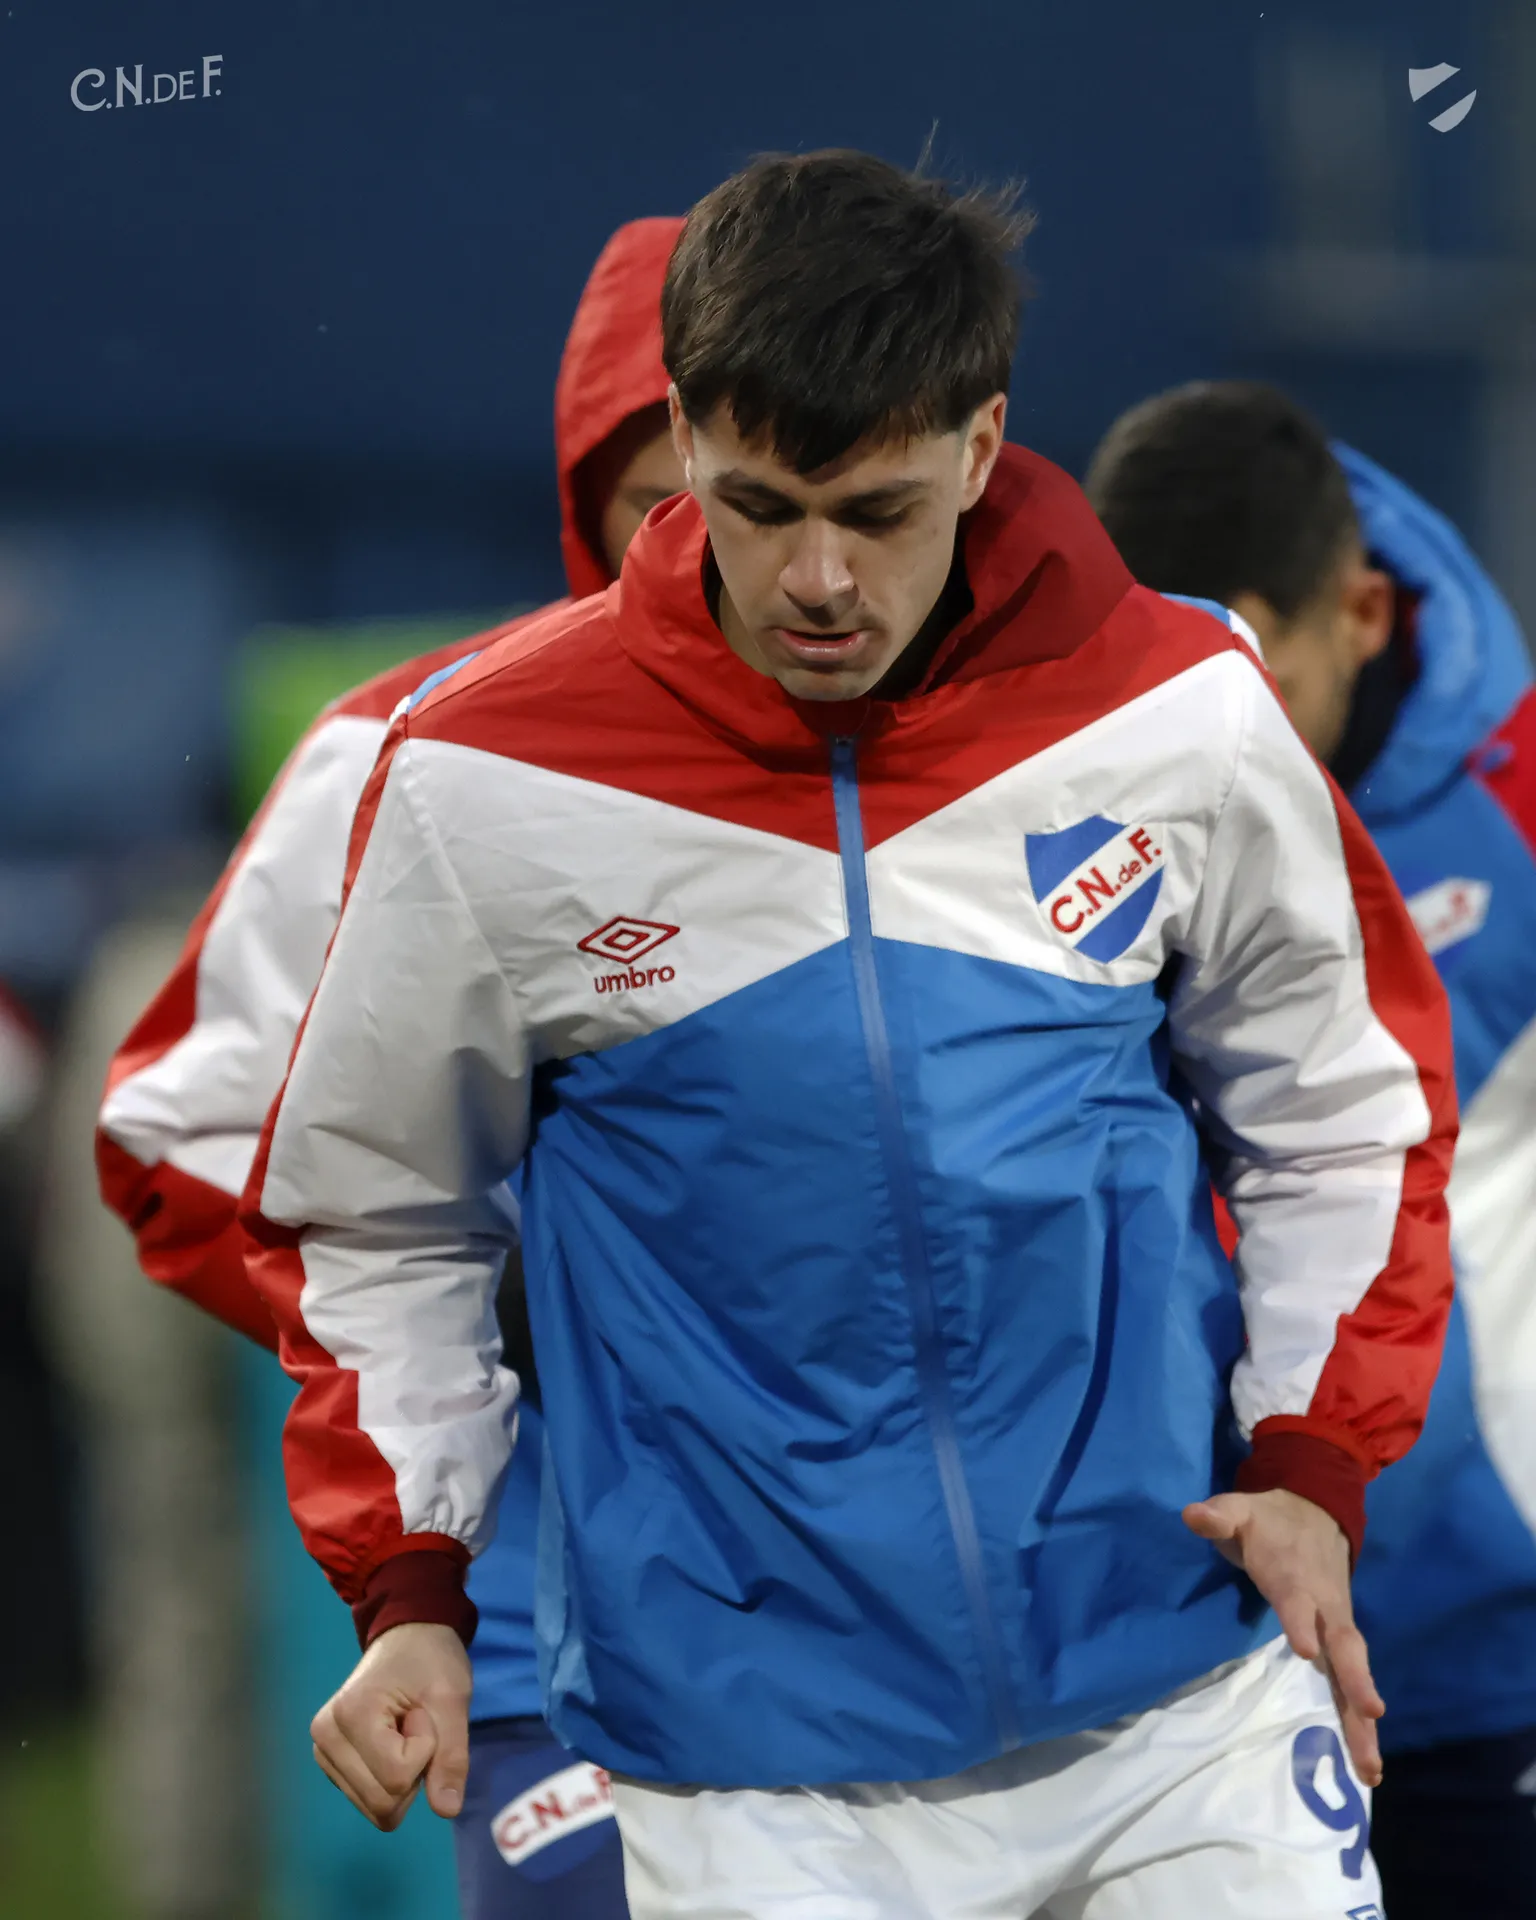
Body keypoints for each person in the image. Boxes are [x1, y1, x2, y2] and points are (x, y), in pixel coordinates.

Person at [243, 152, 1456, 1919]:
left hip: (1180, 1695)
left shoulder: (1177, 707)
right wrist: (411, 1582)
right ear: (683, 436)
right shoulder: (483, 778)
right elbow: (376, 1209)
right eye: (758, 505)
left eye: (877, 511)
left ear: (980, 442)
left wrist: (1312, 1462)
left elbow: (1340, 1109)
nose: (816, 577)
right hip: (750, 1771)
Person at [96, 213, 686, 1920]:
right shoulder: (415, 747)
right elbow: (180, 1140)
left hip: (936, 1637)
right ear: (585, 504)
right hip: (551, 1618)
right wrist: (477, 1311)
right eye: (660, 503)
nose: (708, 554)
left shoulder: (957, 771)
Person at [1084, 378, 1536, 1920]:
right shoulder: (1075, 801)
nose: (1214, 733)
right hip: (1188, 1668)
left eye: (1251, 682)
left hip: (1487, 1662)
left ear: (1361, 613)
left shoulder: (1518, 809)